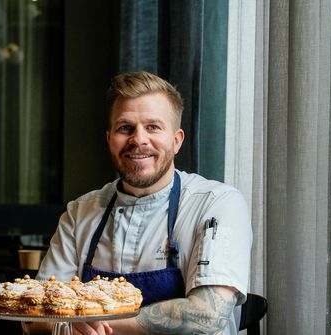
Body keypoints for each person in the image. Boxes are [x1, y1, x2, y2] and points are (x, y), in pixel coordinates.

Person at [22, 71, 252, 335]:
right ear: (109, 139)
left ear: (176, 141)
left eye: (153, 127)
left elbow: (206, 315)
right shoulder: (79, 214)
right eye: (125, 128)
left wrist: (85, 323)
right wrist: (65, 328)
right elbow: (34, 312)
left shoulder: (218, 204)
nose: (138, 140)